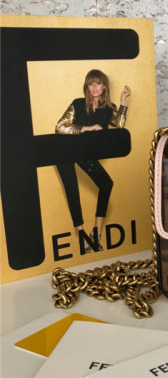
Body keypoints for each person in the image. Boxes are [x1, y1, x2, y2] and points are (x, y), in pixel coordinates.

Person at [55, 69, 131, 252]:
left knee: (106, 184)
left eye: (98, 83)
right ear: (86, 87)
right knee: (72, 188)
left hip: (85, 153)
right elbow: (59, 127)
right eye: (91, 84)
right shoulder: (78, 103)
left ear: (104, 86)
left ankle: (96, 232)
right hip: (65, 151)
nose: (95, 87)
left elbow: (120, 124)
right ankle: (82, 236)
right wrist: (87, 128)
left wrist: (122, 101)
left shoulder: (108, 108)